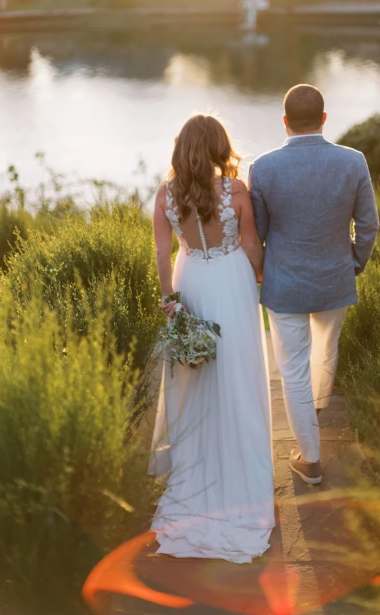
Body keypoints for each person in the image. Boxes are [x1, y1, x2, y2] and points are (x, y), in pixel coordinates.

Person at [149, 114, 274, 564]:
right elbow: (252, 243)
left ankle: (197, 476)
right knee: (238, 370)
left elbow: (162, 252)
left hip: (193, 280)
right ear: (220, 145)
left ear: (182, 146)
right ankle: (241, 477)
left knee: (195, 377)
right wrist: (260, 278)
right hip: (233, 280)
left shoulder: (165, 195)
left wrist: (170, 300)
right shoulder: (235, 191)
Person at [249, 84, 379, 485]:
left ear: (284, 122)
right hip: (334, 277)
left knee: (292, 371)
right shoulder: (353, 161)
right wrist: (353, 262)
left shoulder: (263, 167)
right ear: (324, 119)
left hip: (283, 284)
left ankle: (310, 458)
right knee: (325, 351)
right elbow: (369, 225)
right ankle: (315, 415)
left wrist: (262, 272)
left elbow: (258, 233)